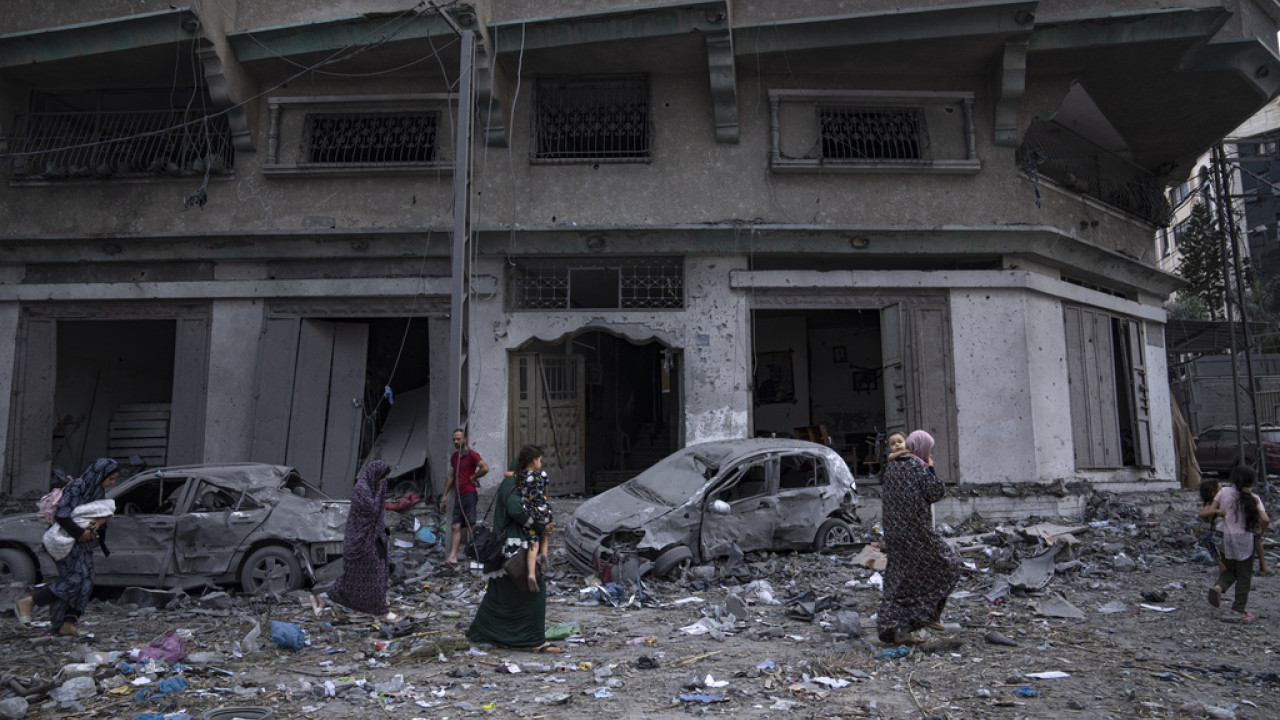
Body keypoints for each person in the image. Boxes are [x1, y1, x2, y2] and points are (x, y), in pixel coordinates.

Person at [465, 445, 562, 654]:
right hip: (516, 546)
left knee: (500, 593)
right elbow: (516, 510)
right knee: (535, 591)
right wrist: (540, 527)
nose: (540, 466)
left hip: (506, 548)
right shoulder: (512, 484)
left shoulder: (514, 483)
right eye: (539, 461)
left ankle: (483, 632)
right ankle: (533, 640)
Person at [16, 458, 119, 636]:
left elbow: (98, 511)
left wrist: (99, 522)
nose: (111, 483)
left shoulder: (97, 490)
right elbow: (62, 515)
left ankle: (67, 623)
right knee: (74, 581)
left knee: (86, 581)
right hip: (66, 541)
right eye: (110, 479)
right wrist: (80, 534)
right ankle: (30, 602)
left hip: (85, 543)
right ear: (100, 474)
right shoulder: (77, 487)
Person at [876, 430, 960, 645]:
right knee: (947, 566)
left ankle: (898, 631)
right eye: (928, 450)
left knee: (899, 578)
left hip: (895, 534)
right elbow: (936, 492)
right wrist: (930, 467)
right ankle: (924, 615)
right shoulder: (917, 467)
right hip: (916, 533)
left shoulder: (892, 467)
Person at [320, 460, 392, 615]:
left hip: (373, 537)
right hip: (360, 540)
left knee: (379, 570)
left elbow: (378, 515)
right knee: (356, 576)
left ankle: (377, 606)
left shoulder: (372, 488)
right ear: (375, 475)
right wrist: (380, 490)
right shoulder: (362, 489)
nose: (384, 483)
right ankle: (330, 596)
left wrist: (384, 530)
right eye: (382, 479)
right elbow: (372, 510)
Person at [1202, 465, 1269, 619]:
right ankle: (1238, 609)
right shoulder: (1254, 499)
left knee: (1229, 569)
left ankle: (1219, 587)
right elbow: (1265, 519)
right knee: (1244, 575)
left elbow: (1210, 515)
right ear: (1252, 482)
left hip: (1226, 537)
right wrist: (1259, 533)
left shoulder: (1223, 492)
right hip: (1245, 539)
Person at [440, 428, 489, 565]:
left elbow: (485, 468)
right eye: (454, 439)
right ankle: (452, 556)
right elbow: (451, 475)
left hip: (469, 493)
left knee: (471, 525)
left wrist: (473, 477)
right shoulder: (455, 457)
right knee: (455, 526)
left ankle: (473, 556)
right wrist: (444, 494)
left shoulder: (472, 455)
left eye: (458, 439)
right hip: (458, 495)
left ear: (465, 439)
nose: (456, 441)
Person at [516, 445, 554, 590]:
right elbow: (545, 491)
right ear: (533, 461)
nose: (541, 463)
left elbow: (513, 481)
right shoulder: (542, 475)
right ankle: (544, 555)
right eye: (540, 460)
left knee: (533, 542)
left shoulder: (520, 476)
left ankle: (531, 574)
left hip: (529, 512)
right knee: (544, 534)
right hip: (543, 511)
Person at [1198, 478, 1227, 573]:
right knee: (1209, 541)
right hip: (1216, 530)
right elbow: (1202, 513)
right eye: (1220, 488)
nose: (1223, 490)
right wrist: (1215, 510)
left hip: (1224, 529)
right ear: (1213, 493)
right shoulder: (1211, 503)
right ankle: (1220, 563)